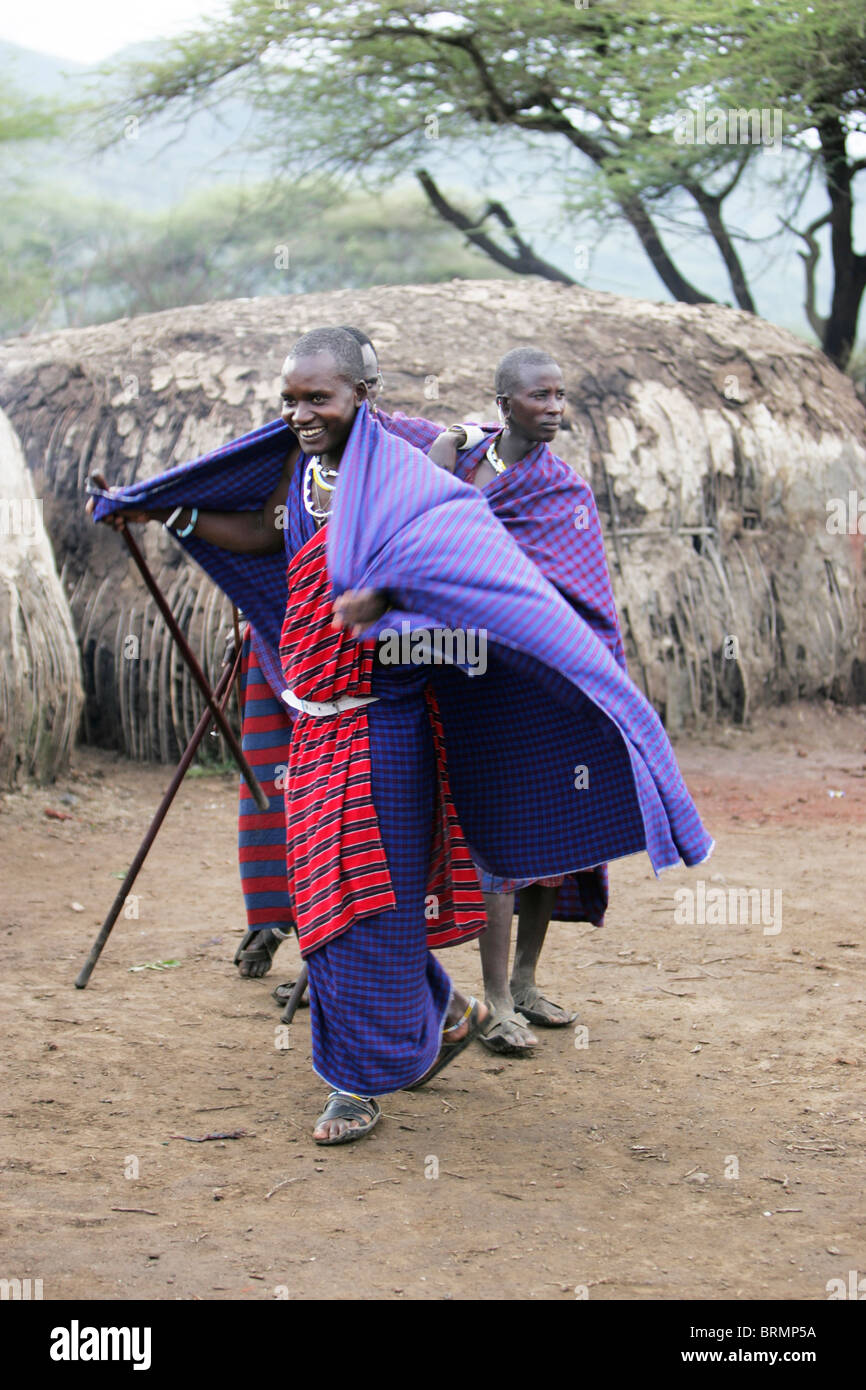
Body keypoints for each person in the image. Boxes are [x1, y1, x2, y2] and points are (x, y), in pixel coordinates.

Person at [424, 347, 627, 1055]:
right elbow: (424, 537)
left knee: (551, 834)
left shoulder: (563, 491)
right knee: (498, 839)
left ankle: (529, 979)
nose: (554, 408)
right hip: (472, 681)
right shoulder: (460, 464)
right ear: (504, 402)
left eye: (561, 396)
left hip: (545, 682)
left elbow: (586, 596)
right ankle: (496, 998)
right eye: (540, 396)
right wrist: (444, 456)